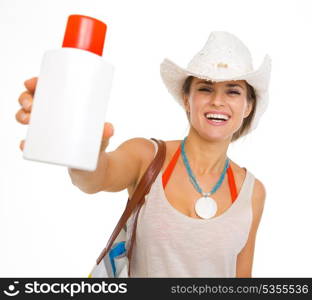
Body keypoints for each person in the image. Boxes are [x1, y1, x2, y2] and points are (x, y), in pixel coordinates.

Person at [16, 31, 271, 278]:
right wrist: (82, 144)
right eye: (205, 88)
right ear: (186, 99)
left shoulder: (253, 191)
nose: (217, 101)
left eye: (233, 91)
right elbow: (93, 179)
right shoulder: (147, 156)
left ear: (248, 106)